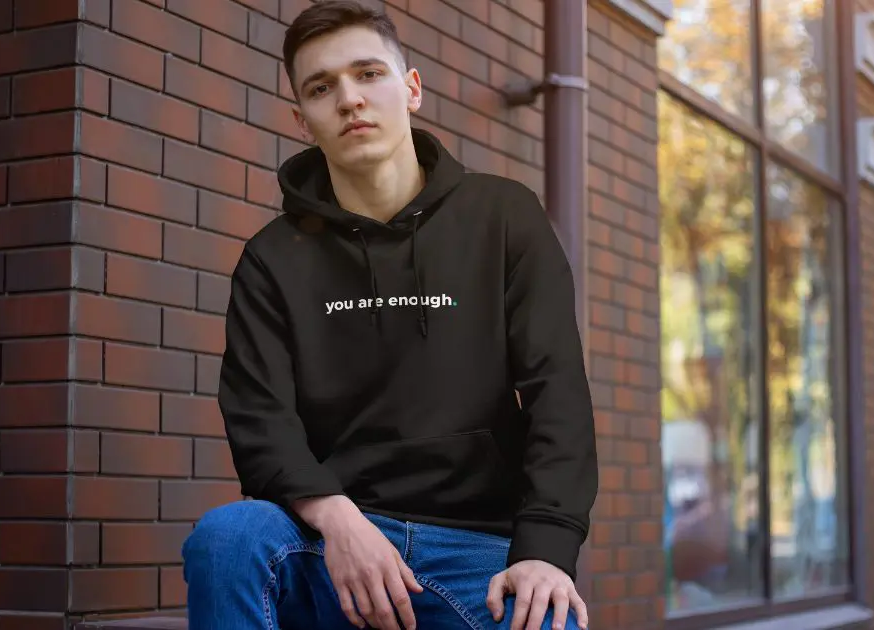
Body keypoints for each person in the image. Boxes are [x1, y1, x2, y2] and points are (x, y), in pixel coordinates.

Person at [181, 2, 598, 629]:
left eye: (368, 74)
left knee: (546, 620)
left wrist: (546, 551)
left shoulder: (503, 216)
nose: (349, 99)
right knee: (230, 537)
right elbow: (258, 416)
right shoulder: (272, 258)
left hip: (477, 551)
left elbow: (556, 391)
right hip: (330, 544)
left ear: (411, 88)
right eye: (322, 87)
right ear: (303, 119)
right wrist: (338, 518)